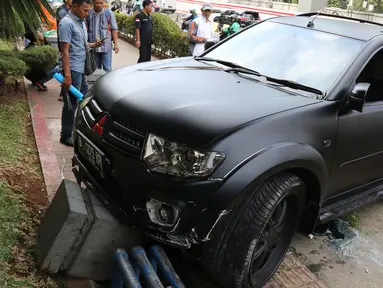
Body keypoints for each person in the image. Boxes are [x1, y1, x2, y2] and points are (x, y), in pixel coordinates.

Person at [58, 0, 103, 146]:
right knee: (70, 103)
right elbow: (64, 51)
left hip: (81, 68)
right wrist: (67, 75)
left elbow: (81, 44)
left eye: (88, 10)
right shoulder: (66, 23)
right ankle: (65, 135)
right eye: (84, 10)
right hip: (72, 69)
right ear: (75, 6)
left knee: (83, 98)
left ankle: (75, 129)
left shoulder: (81, 22)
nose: (87, 13)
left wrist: (94, 45)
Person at [86, 0, 119, 72]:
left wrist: (116, 44)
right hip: (93, 47)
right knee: (95, 70)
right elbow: (86, 28)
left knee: (107, 70)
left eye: (101, 3)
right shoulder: (88, 13)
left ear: (103, 3)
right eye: (97, 3)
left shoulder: (108, 13)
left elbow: (114, 29)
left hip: (106, 48)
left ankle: (107, 83)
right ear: (93, 2)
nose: (99, 5)